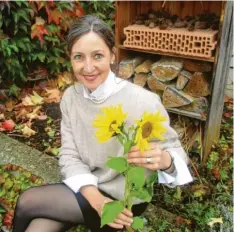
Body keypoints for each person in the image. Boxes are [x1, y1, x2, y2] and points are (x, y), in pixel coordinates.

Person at [12, 15, 193, 232]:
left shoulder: (142, 101)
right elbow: (69, 155)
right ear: (70, 58)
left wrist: (165, 160)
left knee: (27, 201)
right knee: (37, 228)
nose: (88, 68)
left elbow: (177, 154)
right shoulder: (71, 97)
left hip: (124, 199)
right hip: (86, 186)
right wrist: (96, 200)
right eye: (79, 57)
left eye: (97, 55)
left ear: (112, 56)